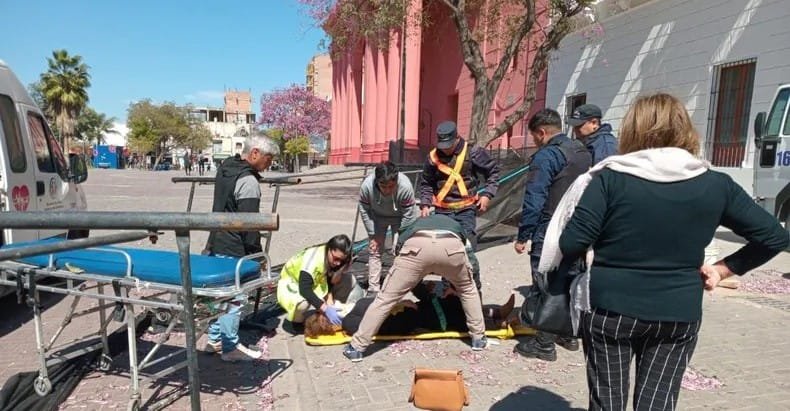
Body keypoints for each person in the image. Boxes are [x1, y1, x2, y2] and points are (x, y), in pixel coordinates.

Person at [546, 93, 788, 410]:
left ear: (633, 130)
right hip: (677, 312)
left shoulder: (609, 179)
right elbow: (773, 236)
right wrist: (722, 268)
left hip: (611, 309)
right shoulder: (715, 184)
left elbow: (571, 243)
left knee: (607, 402)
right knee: (658, 403)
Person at [342, 214, 488, 362]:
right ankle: (478, 338)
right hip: (451, 248)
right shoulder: (458, 228)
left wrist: (407, 280)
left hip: (416, 247)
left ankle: (356, 348)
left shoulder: (413, 225)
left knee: (384, 300)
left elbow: (399, 250)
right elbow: (472, 263)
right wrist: (462, 284)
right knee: (468, 291)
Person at [513, 108, 591, 361]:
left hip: (549, 228)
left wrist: (524, 234)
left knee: (544, 280)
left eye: (535, 137)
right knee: (570, 280)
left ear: (542, 132)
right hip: (578, 226)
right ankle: (567, 335)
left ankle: (543, 343)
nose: (535, 142)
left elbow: (535, 198)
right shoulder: (582, 152)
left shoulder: (547, 156)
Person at [202, 135, 278, 362]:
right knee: (235, 298)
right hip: (235, 247)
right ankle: (230, 347)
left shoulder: (226, 168)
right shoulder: (248, 181)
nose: (269, 164)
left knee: (220, 296)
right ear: (254, 153)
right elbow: (250, 224)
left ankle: (214, 339)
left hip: (217, 241)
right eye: (268, 158)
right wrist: (257, 255)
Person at [418, 121, 500, 291]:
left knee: (467, 251)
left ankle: (472, 290)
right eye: (442, 145)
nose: (445, 149)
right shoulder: (433, 157)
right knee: (445, 253)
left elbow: (493, 172)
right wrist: (425, 204)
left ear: (457, 138)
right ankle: (449, 292)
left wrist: (487, 194)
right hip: (442, 211)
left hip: (466, 210)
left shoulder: (474, 153)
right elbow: (426, 183)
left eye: (448, 145)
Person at [304, 282, 516, 338]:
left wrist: (398, 304)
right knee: (455, 315)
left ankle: (496, 314)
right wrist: (399, 307)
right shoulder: (350, 322)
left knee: (453, 307)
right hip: (413, 318)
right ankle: (498, 319)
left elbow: (382, 305)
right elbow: (381, 324)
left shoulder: (352, 315)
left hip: (409, 313)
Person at [276, 234, 365, 328]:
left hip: (315, 279)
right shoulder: (313, 261)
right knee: (302, 304)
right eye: (336, 258)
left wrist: (329, 300)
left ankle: (335, 310)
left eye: (341, 260)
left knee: (348, 279)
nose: (338, 263)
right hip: (292, 283)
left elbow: (329, 277)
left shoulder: (331, 257)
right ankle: (296, 322)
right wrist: (324, 308)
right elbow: (304, 289)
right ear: (329, 249)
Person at [358, 161, 417, 295]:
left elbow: (409, 216)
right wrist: (373, 235)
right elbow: (364, 209)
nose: (387, 190)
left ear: (396, 181)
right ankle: (373, 287)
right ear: (377, 181)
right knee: (375, 250)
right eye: (383, 186)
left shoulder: (405, 186)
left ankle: (398, 285)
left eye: (391, 186)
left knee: (401, 249)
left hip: (400, 218)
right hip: (376, 217)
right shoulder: (367, 186)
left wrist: (402, 237)